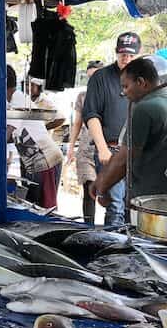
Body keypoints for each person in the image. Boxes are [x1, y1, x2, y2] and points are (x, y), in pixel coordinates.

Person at [83, 31, 141, 227]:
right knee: (115, 205)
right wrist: (102, 149)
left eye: (131, 55)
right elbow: (91, 114)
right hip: (111, 150)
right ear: (116, 52)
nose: (126, 58)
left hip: (137, 153)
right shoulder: (101, 77)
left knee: (133, 207)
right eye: (123, 54)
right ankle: (112, 251)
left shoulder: (143, 79)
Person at [94, 57, 167, 207]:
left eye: (126, 86)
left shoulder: (145, 108)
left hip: (149, 198)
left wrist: (102, 188)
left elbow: (125, 158)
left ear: (141, 82)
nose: (123, 92)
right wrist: (101, 178)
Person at [6, 65, 63, 209]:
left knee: (44, 208)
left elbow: (5, 134)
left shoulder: (17, 99)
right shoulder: (11, 101)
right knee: (33, 204)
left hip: (45, 159)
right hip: (33, 160)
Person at [67, 60, 103, 224]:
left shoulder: (111, 93)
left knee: (112, 195)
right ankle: (88, 227)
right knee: (89, 190)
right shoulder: (82, 96)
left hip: (107, 150)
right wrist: (70, 148)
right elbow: (77, 123)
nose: (92, 80)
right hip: (86, 151)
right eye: (89, 77)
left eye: (95, 76)